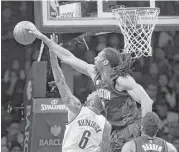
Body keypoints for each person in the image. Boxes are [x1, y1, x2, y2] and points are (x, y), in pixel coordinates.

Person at [28, 29, 153, 152]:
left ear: (105, 62)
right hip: (115, 128)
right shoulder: (94, 73)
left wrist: (145, 134)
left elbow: (147, 101)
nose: (94, 58)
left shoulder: (120, 80)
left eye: (98, 56)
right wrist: (45, 40)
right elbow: (68, 58)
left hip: (130, 125)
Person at [49, 35, 111, 152]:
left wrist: (53, 55)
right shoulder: (106, 125)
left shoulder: (77, 108)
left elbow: (60, 81)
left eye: (91, 94)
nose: (88, 95)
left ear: (93, 101)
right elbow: (105, 149)